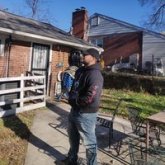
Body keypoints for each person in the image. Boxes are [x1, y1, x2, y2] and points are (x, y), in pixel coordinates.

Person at [62, 48, 103, 165]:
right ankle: (72, 159)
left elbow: (91, 97)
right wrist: (70, 96)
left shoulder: (95, 75)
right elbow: (75, 86)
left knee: (89, 142)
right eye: (83, 54)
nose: (82, 56)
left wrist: (76, 101)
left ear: (94, 58)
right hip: (74, 110)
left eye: (86, 54)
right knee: (72, 137)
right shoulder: (80, 70)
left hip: (86, 114)